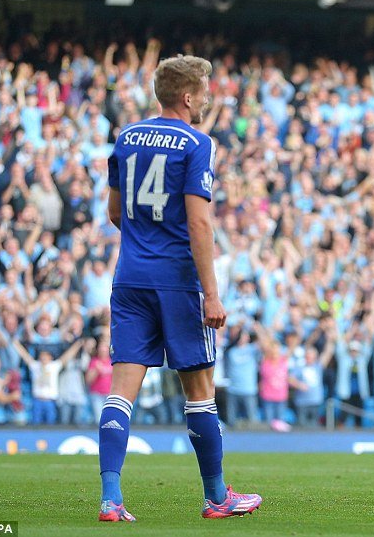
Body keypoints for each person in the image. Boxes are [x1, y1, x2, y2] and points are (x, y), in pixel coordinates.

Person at [98, 55, 261, 522]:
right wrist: (211, 292)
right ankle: (217, 497)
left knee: (121, 388)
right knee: (199, 388)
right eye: (205, 90)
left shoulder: (127, 137)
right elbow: (199, 221)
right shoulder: (197, 142)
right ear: (188, 97)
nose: (209, 98)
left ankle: (111, 499)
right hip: (178, 282)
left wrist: (142, 244)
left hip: (129, 276)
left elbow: (114, 211)